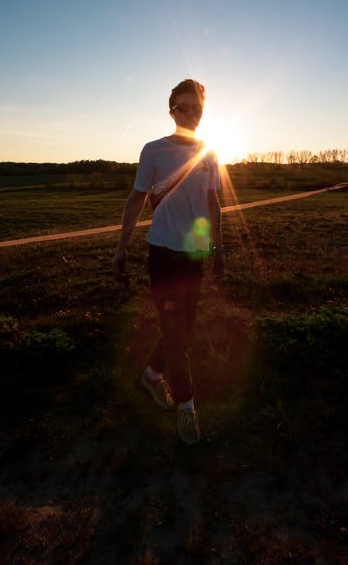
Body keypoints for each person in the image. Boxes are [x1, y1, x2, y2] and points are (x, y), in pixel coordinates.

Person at [112, 79, 224, 445]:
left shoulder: (209, 153)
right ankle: (187, 408)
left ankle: (149, 376)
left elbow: (213, 206)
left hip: (194, 256)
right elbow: (136, 199)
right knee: (175, 334)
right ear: (171, 108)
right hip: (161, 255)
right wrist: (121, 247)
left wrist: (218, 248)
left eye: (198, 109)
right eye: (184, 107)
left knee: (183, 328)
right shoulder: (154, 150)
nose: (191, 114)